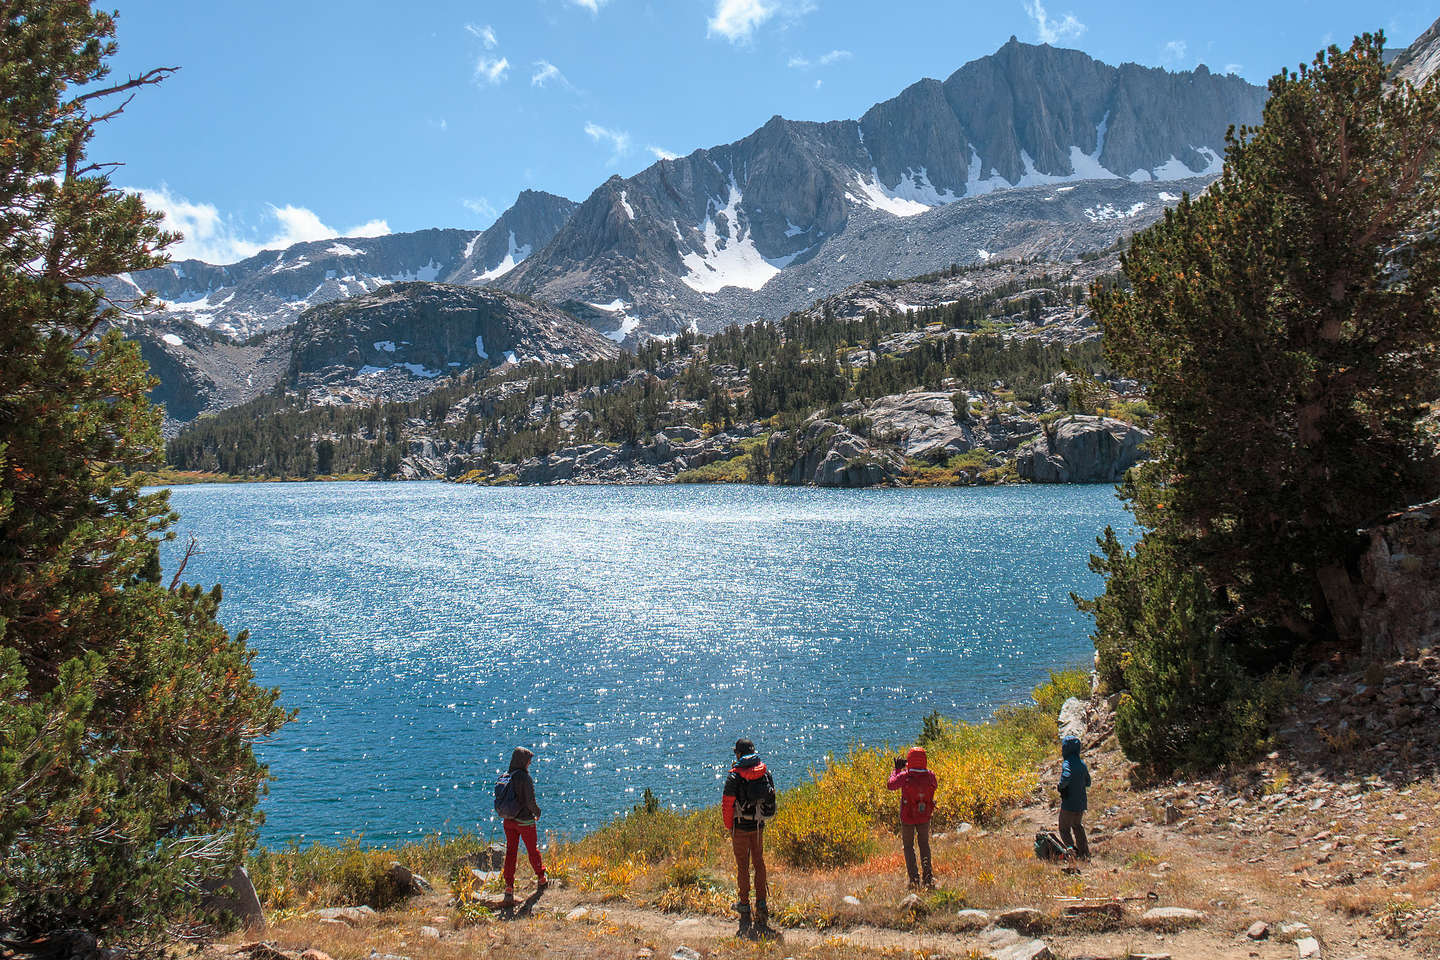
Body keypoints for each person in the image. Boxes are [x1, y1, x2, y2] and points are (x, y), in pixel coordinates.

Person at [722, 738, 776, 937]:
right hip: (758, 826)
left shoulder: (734, 776)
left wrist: (729, 827)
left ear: (738, 754)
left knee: (743, 866)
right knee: (759, 864)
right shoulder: (764, 772)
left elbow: (727, 804)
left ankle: (744, 905)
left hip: (740, 829)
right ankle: (761, 903)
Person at [887, 746, 938, 888]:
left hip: (907, 817)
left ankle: (914, 880)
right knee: (924, 845)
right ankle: (928, 878)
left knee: (908, 847)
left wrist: (896, 770)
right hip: (924, 816)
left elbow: (890, 785)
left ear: (909, 760)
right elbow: (935, 786)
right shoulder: (930, 775)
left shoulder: (905, 776)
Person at [500, 746, 547, 903]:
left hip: (508, 820)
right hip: (525, 821)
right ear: (523, 761)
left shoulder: (507, 776)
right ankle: (541, 878)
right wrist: (538, 812)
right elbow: (530, 801)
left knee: (511, 852)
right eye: (529, 761)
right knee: (532, 850)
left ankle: (509, 886)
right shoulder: (524, 778)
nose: (529, 764)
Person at [1057, 735, 1091, 860]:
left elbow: (1066, 776)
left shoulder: (1067, 763)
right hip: (1081, 803)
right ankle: (1085, 853)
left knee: (1064, 829)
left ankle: (1072, 854)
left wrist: (1061, 786)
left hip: (1069, 803)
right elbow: (1088, 782)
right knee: (1077, 826)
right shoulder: (1082, 764)